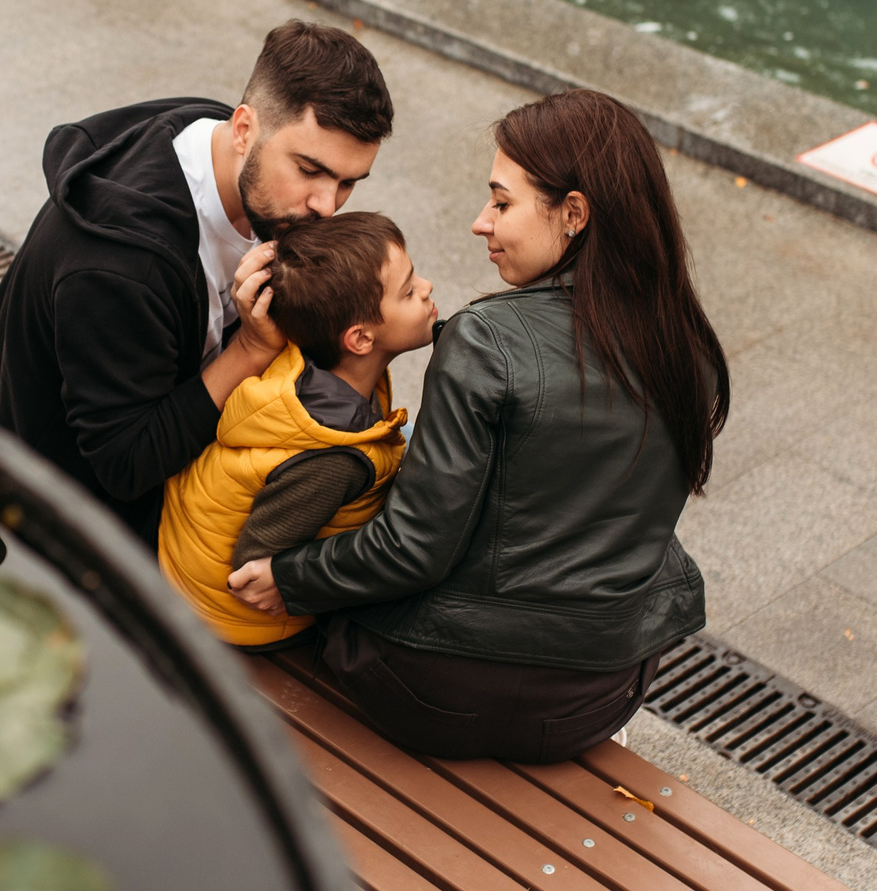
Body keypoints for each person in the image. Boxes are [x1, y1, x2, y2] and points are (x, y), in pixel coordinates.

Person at [228, 89, 727, 763]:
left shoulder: (486, 339)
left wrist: (292, 575)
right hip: (601, 696)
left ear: (573, 213)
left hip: (439, 692)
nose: (479, 223)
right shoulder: (688, 342)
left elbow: (414, 550)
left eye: (501, 203)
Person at [0, 22, 395, 542]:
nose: (327, 206)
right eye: (309, 170)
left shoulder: (211, 137)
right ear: (243, 129)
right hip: (59, 511)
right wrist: (250, 350)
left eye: (347, 183)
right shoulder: (123, 266)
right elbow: (125, 466)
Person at [158, 213, 439, 647]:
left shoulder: (306, 366)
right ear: (360, 339)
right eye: (408, 291)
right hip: (234, 619)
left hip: (188, 556)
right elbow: (256, 565)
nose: (427, 287)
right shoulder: (332, 460)